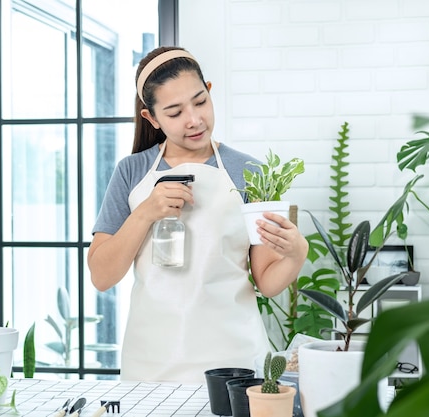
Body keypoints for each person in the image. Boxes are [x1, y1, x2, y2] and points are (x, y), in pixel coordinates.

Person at [88, 46, 308, 383]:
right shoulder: (131, 172)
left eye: (200, 101)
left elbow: (267, 281)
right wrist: (145, 212)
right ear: (152, 118)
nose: (194, 119)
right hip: (152, 363)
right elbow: (102, 276)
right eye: (174, 112)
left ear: (209, 90)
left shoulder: (249, 171)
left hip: (235, 360)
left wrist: (296, 253)